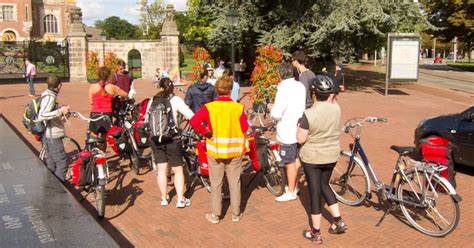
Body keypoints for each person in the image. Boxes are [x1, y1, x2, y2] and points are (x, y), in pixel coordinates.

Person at [190, 75, 249, 224]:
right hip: (234, 150)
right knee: (234, 182)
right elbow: (245, 128)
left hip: (215, 150)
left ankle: (215, 215)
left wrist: (206, 133)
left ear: (217, 90)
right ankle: (236, 213)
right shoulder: (238, 107)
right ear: (230, 90)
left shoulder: (210, 107)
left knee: (216, 183)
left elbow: (194, 121)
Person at [297, 75, 347, 244]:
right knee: (325, 185)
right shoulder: (336, 109)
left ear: (313, 93)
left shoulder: (308, 114)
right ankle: (338, 220)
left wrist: (299, 126)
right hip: (331, 154)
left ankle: (315, 232)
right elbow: (332, 101)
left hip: (313, 156)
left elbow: (300, 139)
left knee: (315, 192)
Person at [146, 77, 194, 208]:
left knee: (162, 169)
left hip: (156, 139)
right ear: (172, 87)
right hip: (172, 139)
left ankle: (164, 198)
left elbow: (146, 119)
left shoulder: (153, 100)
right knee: (178, 170)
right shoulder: (176, 100)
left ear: (160, 87)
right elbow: (191, 116)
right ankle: (180, 199)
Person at [269, 62, 306, 202]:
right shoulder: (300, 86)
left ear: (279, 74)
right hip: (299, 128)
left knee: (289, 162)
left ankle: (290, 191)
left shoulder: (283, 88)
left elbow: (277, 113)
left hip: (287, 130)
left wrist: (270, 108)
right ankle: (294, 186)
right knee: (296, 159)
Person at [38, 75, 70, 182]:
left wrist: (60, 110)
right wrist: (60, 111)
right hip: (52, 134)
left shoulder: (47, 94)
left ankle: (50, 186)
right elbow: (42, 115)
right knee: (62, 162)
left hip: (48, 134)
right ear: (59, 86)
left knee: (51, 163)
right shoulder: (50, 97)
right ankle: (58, 190)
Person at [89, 67, 128, 151]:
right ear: (109, 76)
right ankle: (102, 157)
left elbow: (91, 102)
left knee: (93, 136)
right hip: (106, 114)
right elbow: (125, 94)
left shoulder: (93, 87)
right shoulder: (112, 87)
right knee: (103, 138)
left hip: (95, 114)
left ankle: (93, 155)